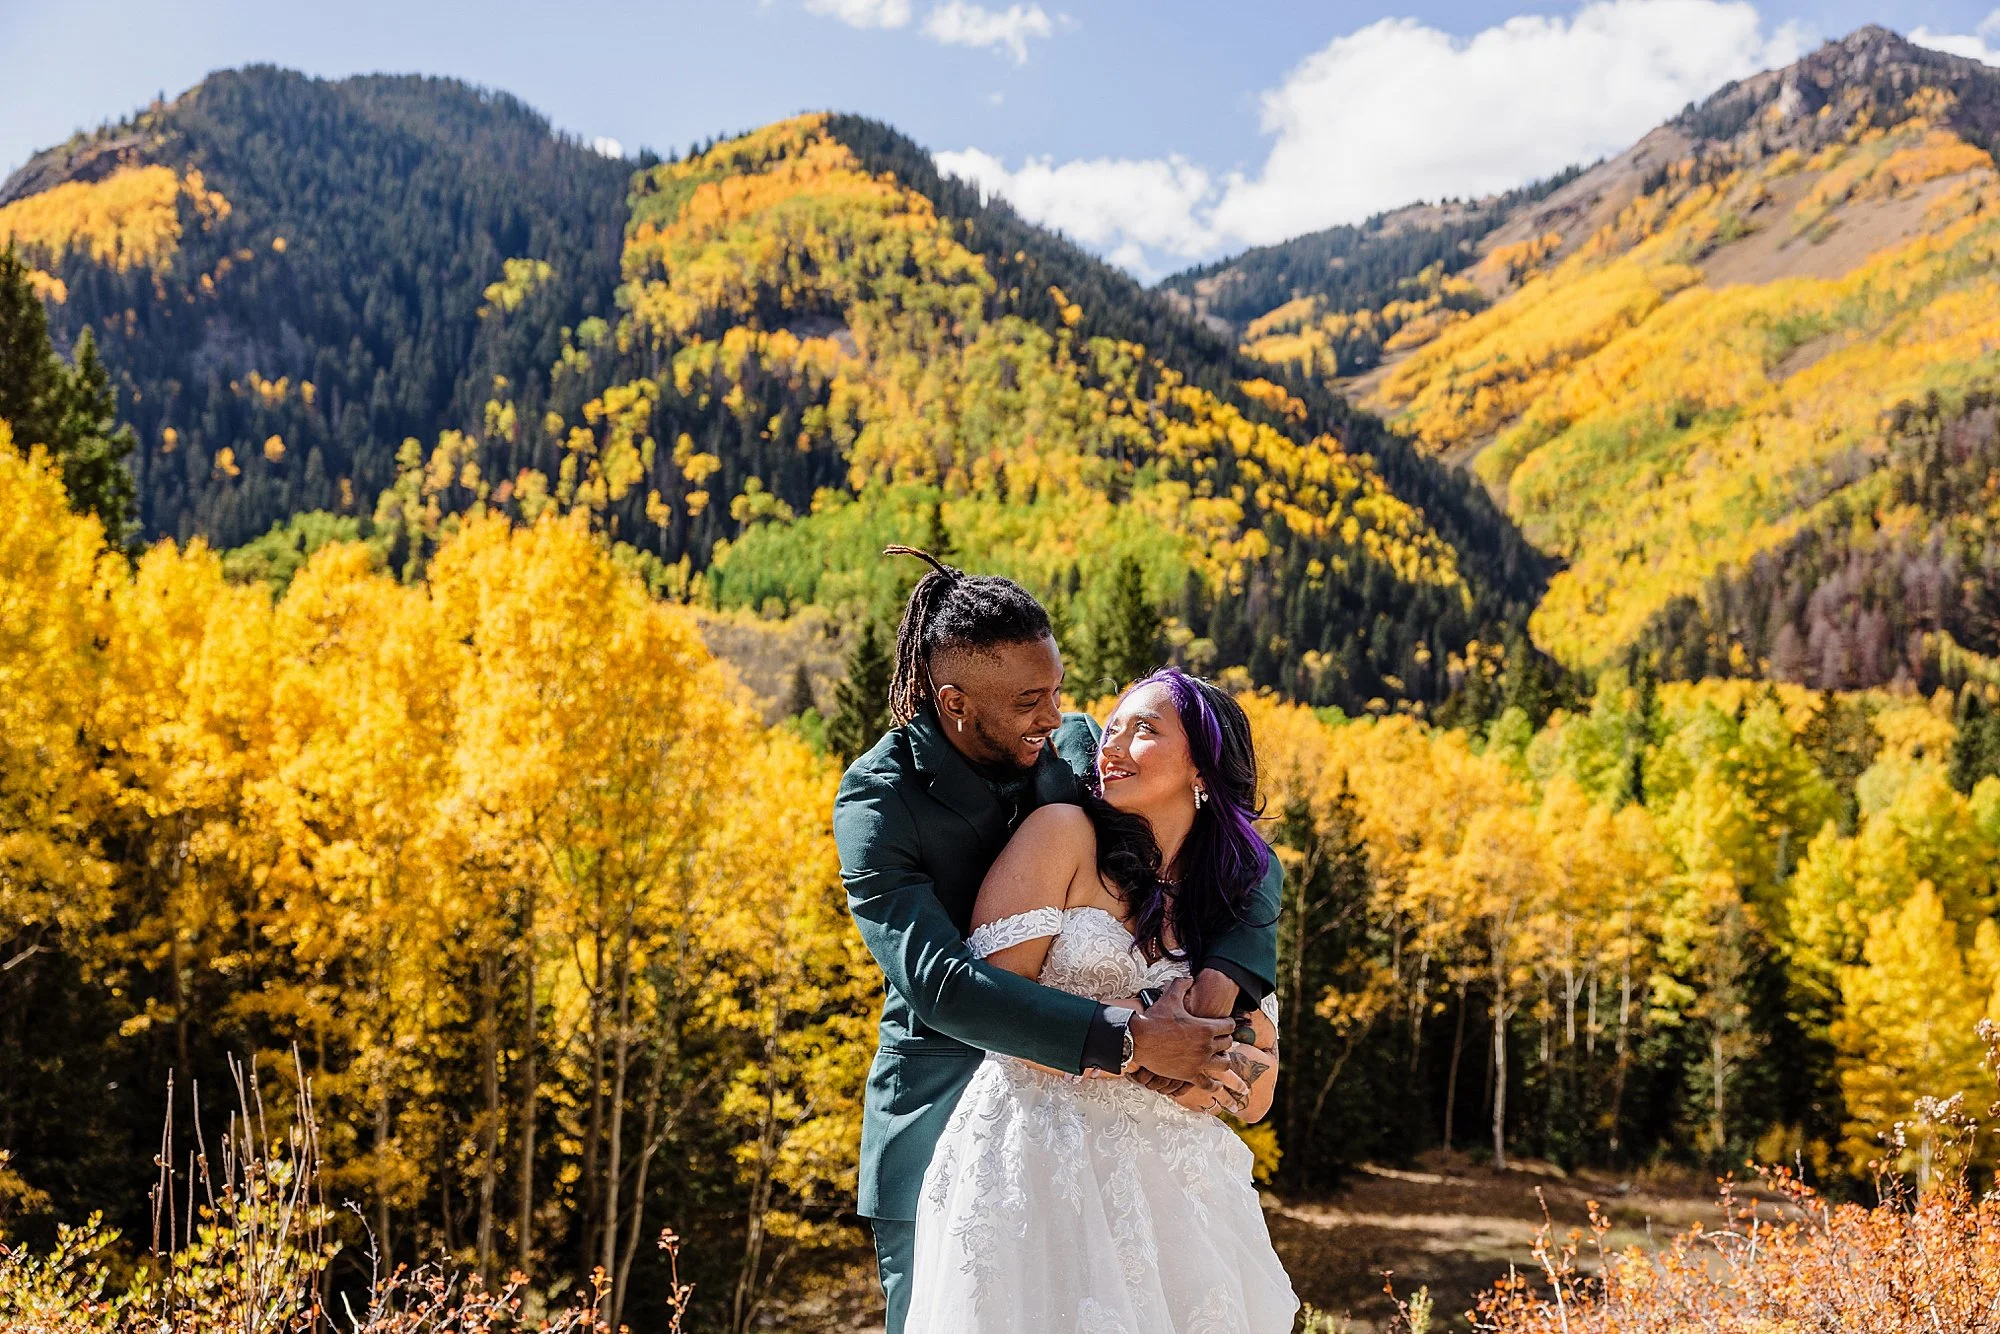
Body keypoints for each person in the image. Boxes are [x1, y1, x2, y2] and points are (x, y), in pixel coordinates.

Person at [833, 548, 1283, 1334]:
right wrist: (1137, 1040)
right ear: (956, 701)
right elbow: (941, 986)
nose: (1058, 717)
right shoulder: (879, 803)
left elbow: (1239, 857)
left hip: (1132, 1153)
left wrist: (1215, 997)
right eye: (1031, 700)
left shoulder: (1078, 749)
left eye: (1059, 691)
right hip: (952, 1114)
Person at [905, 666, 1298, 1332]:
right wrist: (1145, 1047)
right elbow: (999, 1013)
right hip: (1037, 1168)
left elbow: (1255, 1096)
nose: (1111, 746)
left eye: (1143, 730)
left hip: (1179, 1200)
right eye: (1111, 728)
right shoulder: (1061, 836)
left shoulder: (1229, 904)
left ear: (1204, 767)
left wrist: (1191, 1070)